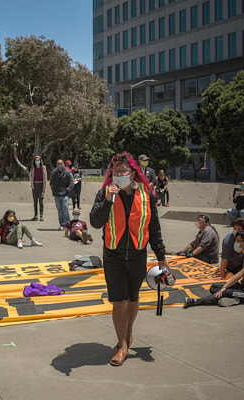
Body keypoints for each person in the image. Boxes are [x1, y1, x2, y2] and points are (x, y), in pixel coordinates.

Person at [90, 151, 168, 367]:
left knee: (133, 299)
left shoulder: (147, 195)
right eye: (115, 170)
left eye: (123, 170)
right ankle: (123, 344)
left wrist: (161, 256)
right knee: (119, 301)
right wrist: (107, 201)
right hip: (113, 255)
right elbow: (95, 222)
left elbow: (154, 228)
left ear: (134, 173)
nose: (119, 173)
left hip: (137, 254)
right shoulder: (104, 193)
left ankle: (128, 330)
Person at [183, 230, 244, 309]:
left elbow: (240, 274)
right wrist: (224, 287)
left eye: (239, 241)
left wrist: (224, 288)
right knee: (214, 287)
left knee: (224, 292)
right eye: (236, 241)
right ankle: (236, 299)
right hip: (241, 286)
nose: (236, 243)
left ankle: (195, 301)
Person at [50, 159, 74, 231]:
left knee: (65, 209)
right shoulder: (54, 173)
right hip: (56, 195)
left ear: (63, 164)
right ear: (56, 165)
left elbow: (71, 182)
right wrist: (53, 189)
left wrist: (69, 188)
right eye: (58, 164)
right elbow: (51, 183)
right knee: (59, 210)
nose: (60, 165)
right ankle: (62, 224)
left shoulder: (67, 172)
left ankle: (68, 225)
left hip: (64, 194)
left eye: (61, 163)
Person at [29, 156, 47, 221]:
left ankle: (41, 215)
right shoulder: (32, 168)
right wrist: (32, 185)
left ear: (40, 160)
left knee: (41, 201)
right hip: (35, 185)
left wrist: (44, 187)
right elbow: (31, 177)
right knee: (35, 201)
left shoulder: (43, 168)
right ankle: (35, 215)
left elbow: (45, 178)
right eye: (36, 160)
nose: (37, 161)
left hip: (41, 185)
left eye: (38, 160)